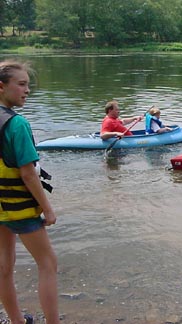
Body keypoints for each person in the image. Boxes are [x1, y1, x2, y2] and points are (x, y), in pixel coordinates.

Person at [0, 60, 60, 323]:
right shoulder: (17, 125)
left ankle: (16, 320)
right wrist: (47, 208)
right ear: (1, 87)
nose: (27, 91)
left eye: (28, 85)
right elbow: (27, 173)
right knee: (48, 264)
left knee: (4, 266)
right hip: (20, 208)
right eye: (21, 84)